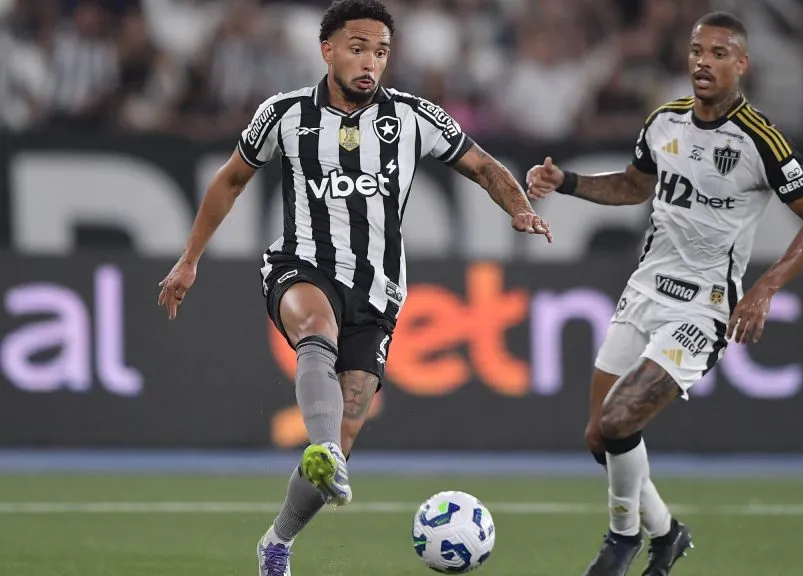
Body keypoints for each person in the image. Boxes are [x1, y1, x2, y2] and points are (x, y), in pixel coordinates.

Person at [156, 1, 552, 574]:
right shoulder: (284, 114)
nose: (371, 62)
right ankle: (323, 450)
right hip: (301, 266)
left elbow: (485, 166)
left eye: (382, 51)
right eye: (359, 48)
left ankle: (277, 541)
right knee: (316, 329)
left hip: (379, 292)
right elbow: (230, 180)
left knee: (351, 415)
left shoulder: (415, 117)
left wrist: (519, 209)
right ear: (328, 51)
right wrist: (189, 259)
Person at [527, 11, 803, 576]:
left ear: (740, 65)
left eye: (719, 53)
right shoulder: (663, 122)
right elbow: (631, 186)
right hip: (645, 290)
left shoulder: (759, 139)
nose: (703, 62)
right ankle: (667, 533)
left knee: (621, 422)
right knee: (599, 435)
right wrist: (566, 182)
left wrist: (764, 289)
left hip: (703, 308)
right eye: (697, 51)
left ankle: (622, 540)